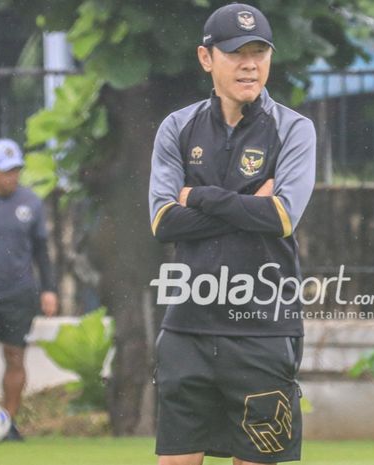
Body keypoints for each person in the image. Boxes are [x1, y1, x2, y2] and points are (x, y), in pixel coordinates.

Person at [149, 3, 316, 465]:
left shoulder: (296, 130)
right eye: (236, 52)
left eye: (259, 51)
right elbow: (163, 221)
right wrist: (248, 202)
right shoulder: (177, 128)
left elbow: (281, 217)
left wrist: (200, 197)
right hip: (187, 328)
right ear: (207, 58)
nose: (249, 63)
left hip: (261, 329)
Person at [0, 138, 58, 441]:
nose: (11, 176)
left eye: (15, 170)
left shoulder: (30, 202)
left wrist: (49, 289)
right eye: (5, 170)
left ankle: (8, 423)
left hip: (18, 292)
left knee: (14, 355)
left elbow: (42, 250)